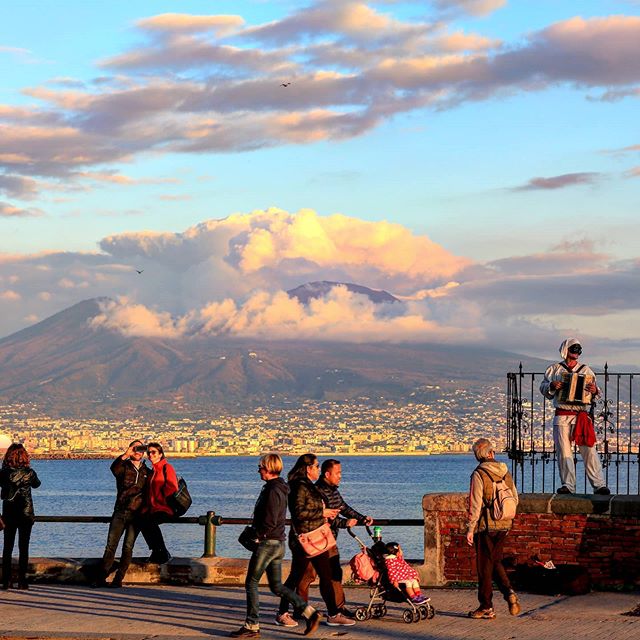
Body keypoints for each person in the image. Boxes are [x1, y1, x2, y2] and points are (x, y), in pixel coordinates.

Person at [230, 454, 322, 638]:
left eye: (261, 467)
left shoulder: (273, 490)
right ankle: (310, 613)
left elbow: (270, 520)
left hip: (268, 543)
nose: (258, 470)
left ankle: (252, 625)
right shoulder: (279, 487)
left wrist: (257, 536)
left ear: (269, 468)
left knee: (251, 583)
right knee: (277, 586)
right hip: (277, 542)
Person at [280, 458, 372, 622]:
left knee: (331, 573)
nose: (340, 476)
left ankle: (336, 609)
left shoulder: (330, 490)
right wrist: (343, 522)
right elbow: (315, 515)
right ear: (326, 473)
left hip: (326, 539)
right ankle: (301, 609)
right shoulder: (314, 489)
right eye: (338, 473)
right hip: (312, 539)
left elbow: (342, 507)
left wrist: (362, 518)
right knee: (304, 576)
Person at [539, 338, 610, 495]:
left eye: (578, 350)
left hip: (581, 415)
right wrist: (551, 386)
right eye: (573, 349)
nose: (576, 352)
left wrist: (594, 390)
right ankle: (568, 485)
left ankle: (599, 484)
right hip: (562, 414)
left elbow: (598, 393)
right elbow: (543, 387)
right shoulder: (554, 370)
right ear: (566, 350)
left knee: (589, 450)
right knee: (564, 451)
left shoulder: (586, 370)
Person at [466, 438, 520, 619]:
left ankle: (486, 606)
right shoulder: (505, 471)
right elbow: (515, 497)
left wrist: (470, 529)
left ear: (478, 456)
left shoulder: (479, 474)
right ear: (491, 453)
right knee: (495, 562)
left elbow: (475, 504)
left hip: (487, 525)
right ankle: (509, 593)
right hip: (505, 523)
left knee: (484, 567)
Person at [92, 440, 151, 588]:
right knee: (111, 546)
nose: (138, 452)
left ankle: (118, 579)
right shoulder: (123, 467)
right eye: (135, 448)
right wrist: (126, 454)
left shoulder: (147, 472)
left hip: (136, 515)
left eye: (140, 449)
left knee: (128, 547)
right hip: (120, 511)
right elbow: (114, 469)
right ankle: (100, 577)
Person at [0, 443, 41, 590]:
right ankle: (22, 581)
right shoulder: (29, 472)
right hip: (25, 513)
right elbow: (37, 484)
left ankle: (6, 581)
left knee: (7, 547)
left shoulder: (3, 473)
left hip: (8, 514)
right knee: (24, 548)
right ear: (24, 457)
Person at [142, 442, 177, 563]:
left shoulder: (167, 467)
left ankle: (161, 551)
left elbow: (172, 487)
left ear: (160, 454)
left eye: (153, 452)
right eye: (149, 452)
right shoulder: (153, 471)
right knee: (143, 522)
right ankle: (157, 551)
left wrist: (160, 498)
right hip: (153, 508)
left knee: (149, 522)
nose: (150, 455)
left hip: (165, 508)